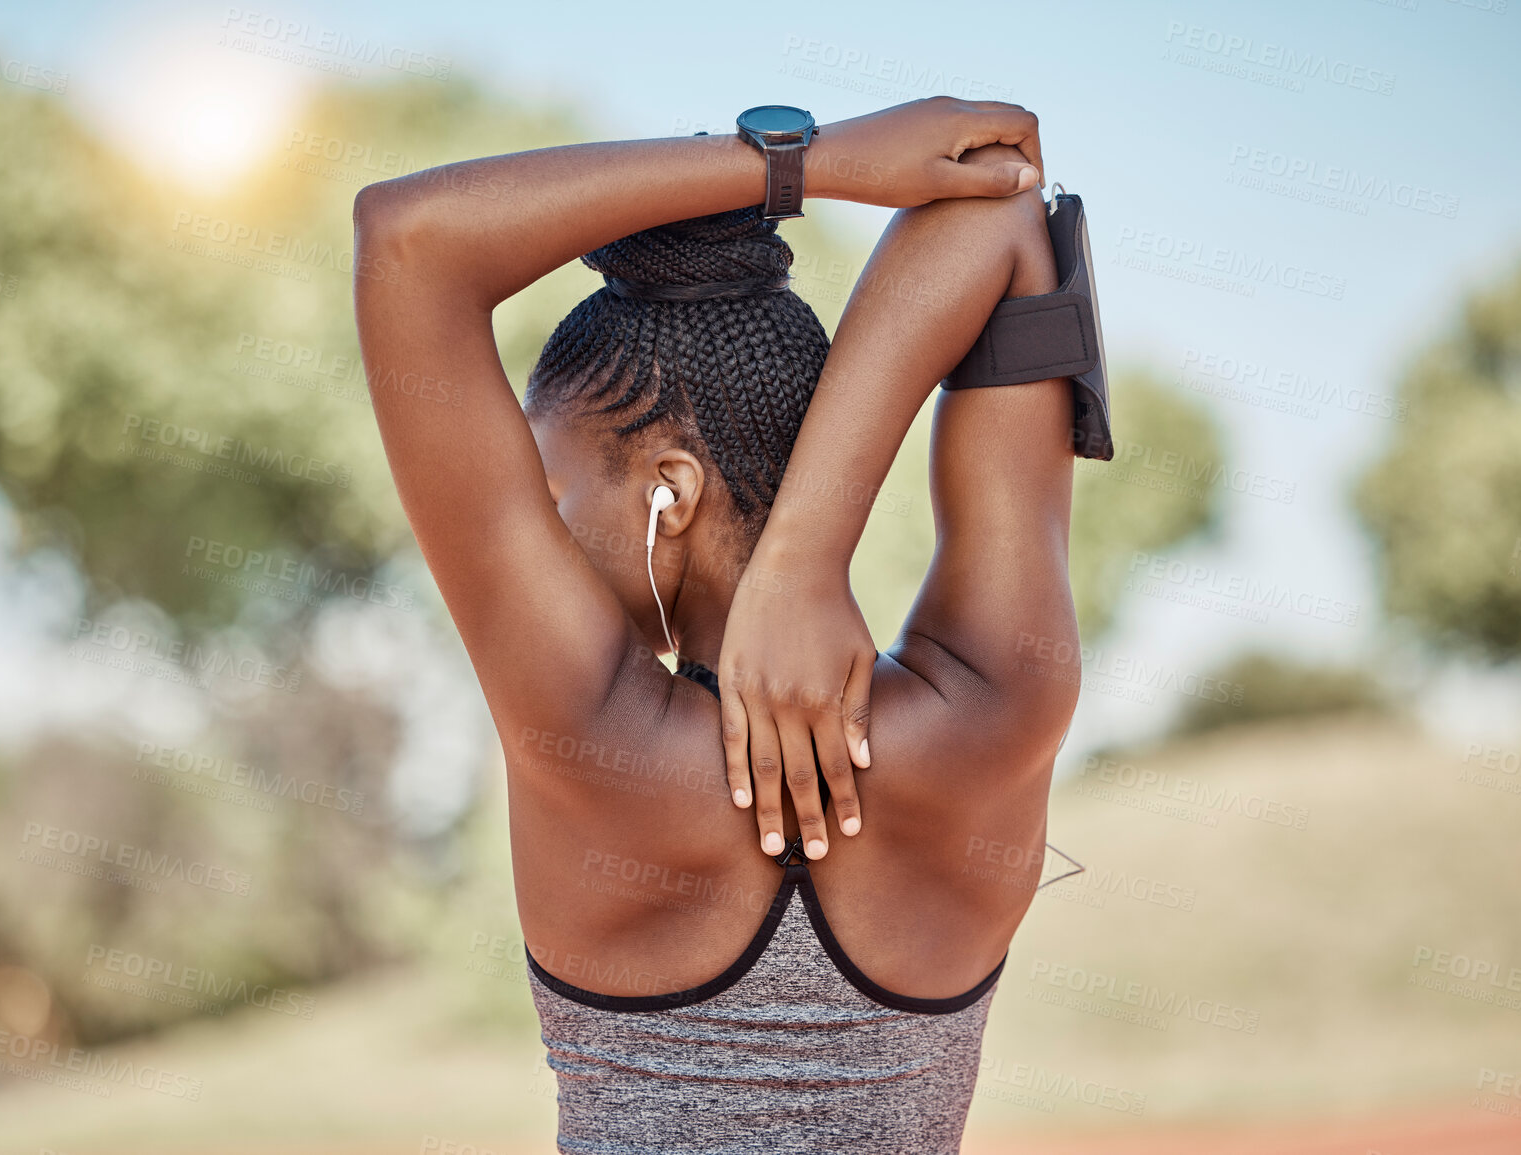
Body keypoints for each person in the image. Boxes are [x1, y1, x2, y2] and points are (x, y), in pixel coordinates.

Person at [352, 96, 1081, 1155]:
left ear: (671, 493)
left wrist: (796, 169)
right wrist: (806, 555)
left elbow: (406, 242)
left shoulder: (597, 740)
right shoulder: (991, 715)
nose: (542, 531)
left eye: (552, 492)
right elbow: (1005, 214)